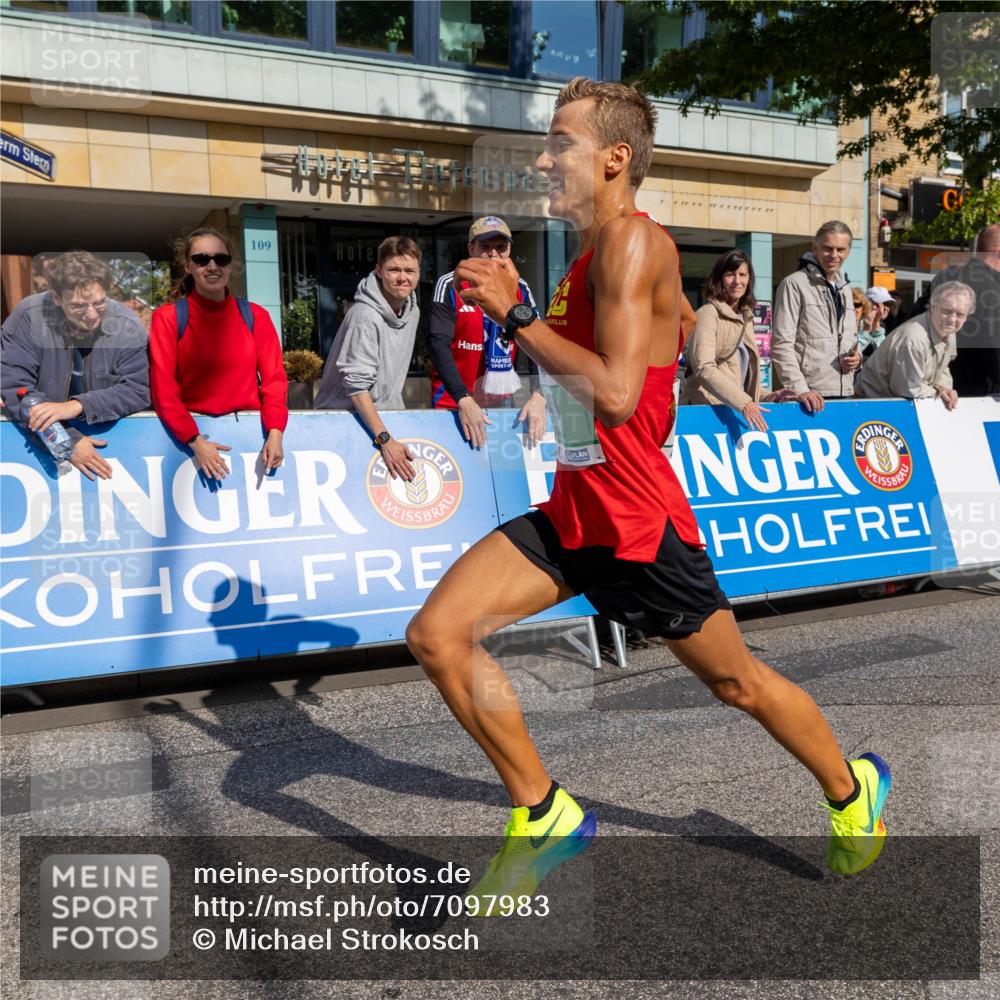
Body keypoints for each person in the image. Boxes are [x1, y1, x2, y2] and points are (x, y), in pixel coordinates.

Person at [406, 77, 891, 908]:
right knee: (438, 635)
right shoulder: (588, 257)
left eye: (561, 143)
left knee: (737, 684)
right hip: (576, 511)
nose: (544, 160)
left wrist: (518, 316)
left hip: (637, 522)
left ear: (614, 158)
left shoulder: (634, 242)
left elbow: (617, 394)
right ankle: (544, 813)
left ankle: (853, 790)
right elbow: (622, 361)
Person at [149, 227, 288, 480]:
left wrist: (276, 432)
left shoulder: (256, 316)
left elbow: (275, 381)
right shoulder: (168, 317)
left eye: (221, 259)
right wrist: (194, 441)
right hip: (190, 443)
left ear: (230, 265)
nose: (212, 266)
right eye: (201, 259)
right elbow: (163, 388)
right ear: (188, 266)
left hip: (253, 439)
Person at [0, 250, 150, 480]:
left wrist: (77, 405)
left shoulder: (128, 325)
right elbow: (15, 388)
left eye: (100, 303)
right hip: (45, 446)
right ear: (56, 298)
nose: (91, 315)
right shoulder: (27, 317)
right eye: (79, 306)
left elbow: (138, 389)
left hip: (113, 447)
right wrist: (68, 440)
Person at [429, 216, 546, 447]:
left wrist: (539, 394)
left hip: (502, 404)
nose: (493, 254)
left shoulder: (520, 288)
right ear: (471, 248)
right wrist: (463, 398)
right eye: (485, 246)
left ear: (509, 250)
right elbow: (437, 345)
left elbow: (537, 342)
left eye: (501, 247)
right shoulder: (450, 284)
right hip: (455, 403)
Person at [314, 236, 422, 482]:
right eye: (394, 269)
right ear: (379, 271)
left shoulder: (413, 311)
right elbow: (356, 388)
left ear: (418, 274)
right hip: (343, 424)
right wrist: (385, 439)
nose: (402, 277)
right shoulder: (364, 316)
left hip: (382, 422)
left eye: (409, 271)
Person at [681, 249, 798, 431]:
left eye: (743, 275)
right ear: (719, 279)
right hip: (705, 412)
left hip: (730, 412)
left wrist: (768, 396)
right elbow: (704, 368)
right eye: (730, 275)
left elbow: (737, 377)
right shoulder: (707, 314)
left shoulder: (745, 317)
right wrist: (744, 403)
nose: (737, 281)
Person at [771, 220, 860, 409]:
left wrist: (857, 359)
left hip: (845, 393)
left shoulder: (845, 289)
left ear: (848, 252)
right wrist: (799, 389)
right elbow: (781, 345)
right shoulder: (793, 284)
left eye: (840, 249)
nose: (833, 255)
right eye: (827, 248)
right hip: (808, 396)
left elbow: (850, 338)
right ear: (815, 248)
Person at [854, 280, 973, 411]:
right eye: (947, 311)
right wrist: (939, 393)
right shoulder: (913, 339)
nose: (952, 319)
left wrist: (945, 388)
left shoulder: (948, 333)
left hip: (894, 405)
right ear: (932, 307)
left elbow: (942, 367)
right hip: (869, 408)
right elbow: (909, 389)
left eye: (960, 314)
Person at [915, 223, 1000, 396]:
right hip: (978, 397)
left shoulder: (944, 277)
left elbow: (915, 322)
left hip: (934, 391)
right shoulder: (993, 290)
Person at [858, 286, 895, 363]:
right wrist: (866, 330)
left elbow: (883, 354)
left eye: (889, 304)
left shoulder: (881, 325)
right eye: (884, 304)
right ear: (870, 304)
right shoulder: (858, 324)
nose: (886, 308)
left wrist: (876, 322)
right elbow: (853, 351)